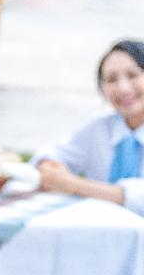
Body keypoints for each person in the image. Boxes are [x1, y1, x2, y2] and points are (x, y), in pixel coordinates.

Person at [34, 39, 144, 216]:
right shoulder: (99, 127)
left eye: (133, 75)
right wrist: (51, 168)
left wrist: (74, 185)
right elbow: (50, 154)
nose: (123, 88)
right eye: (111, 79)